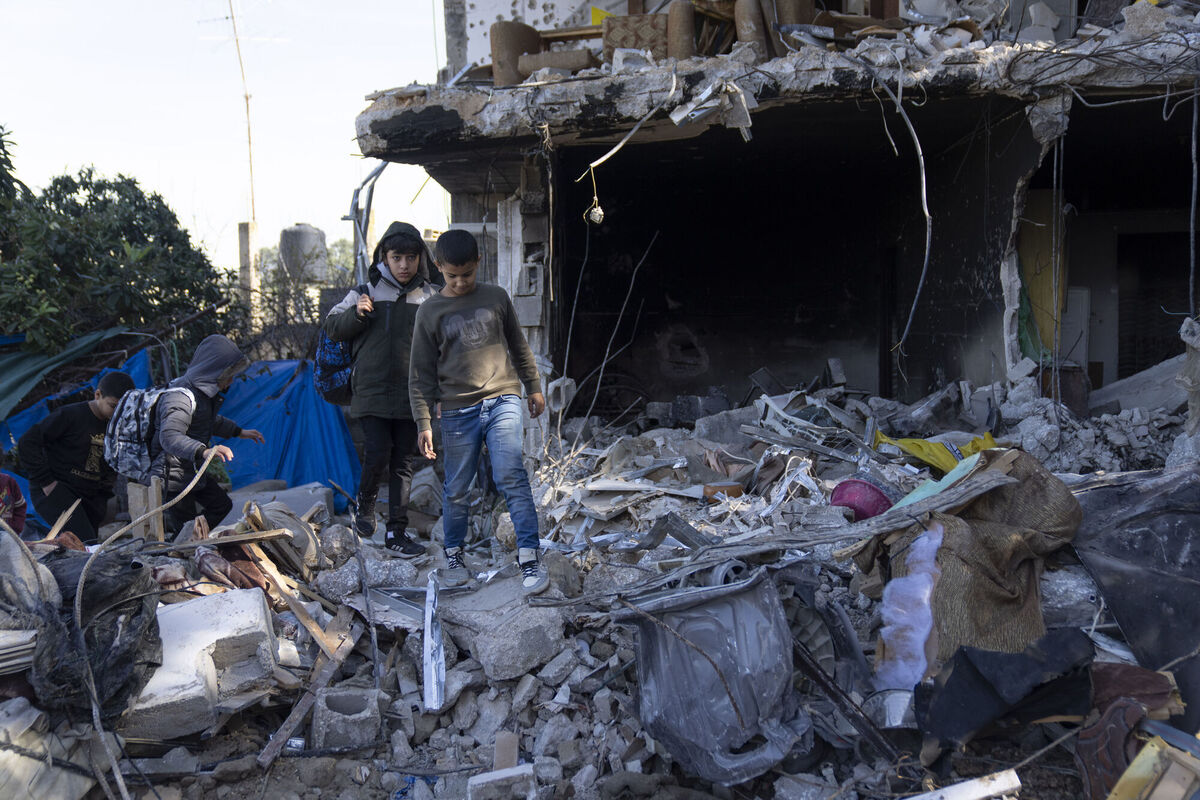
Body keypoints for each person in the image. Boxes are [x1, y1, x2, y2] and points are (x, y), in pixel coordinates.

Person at [409, 229, 548, 594]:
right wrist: (423, 422)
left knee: (511, 475)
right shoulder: (429, 311)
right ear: (438, 267)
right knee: (456, 488)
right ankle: (455, 555)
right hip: (457, 412)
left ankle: (530, 557)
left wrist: (533, 386)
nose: (459, 282)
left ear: (477, 265)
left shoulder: (496, 297)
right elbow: (420, 375)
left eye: (466, 274)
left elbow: (518, 345)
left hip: (503, 398)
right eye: (452, 276)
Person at [324, 221, 439, 557]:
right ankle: (366, 506)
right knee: (376, 453)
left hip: (411, 395)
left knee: (404, 462)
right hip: (371, 391)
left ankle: (397, 533)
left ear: (421, 258)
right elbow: (332, 326)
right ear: (384, 257)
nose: (404, 265)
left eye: (411, 257)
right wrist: (357, 315)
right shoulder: (366, 291)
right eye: (396, 257)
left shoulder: (430, 296)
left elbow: (443, 346)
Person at [153, 334, 264, 532]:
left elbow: (208, 422)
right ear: (213, 372)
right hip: (171, 476)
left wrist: (239, 432)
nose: (230, 382)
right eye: (227, 376)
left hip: (192, 470)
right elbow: (169, 436)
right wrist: (204, 451)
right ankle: (182, 543)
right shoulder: (180, 395)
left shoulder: (202, 396)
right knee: (186, 528)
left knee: (222, 505)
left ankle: (194, 537)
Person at [17, 371, 135, 542]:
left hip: (90, 497)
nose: (118, 412)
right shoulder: (70, 415)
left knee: (85, 547)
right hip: (57, 490)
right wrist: (46, 482)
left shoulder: (117, 425)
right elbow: (27, 442)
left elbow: (113, 461)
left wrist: (103, 496)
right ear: (98, 395)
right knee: (86, 543)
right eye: (113, 406)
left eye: (123, 409)